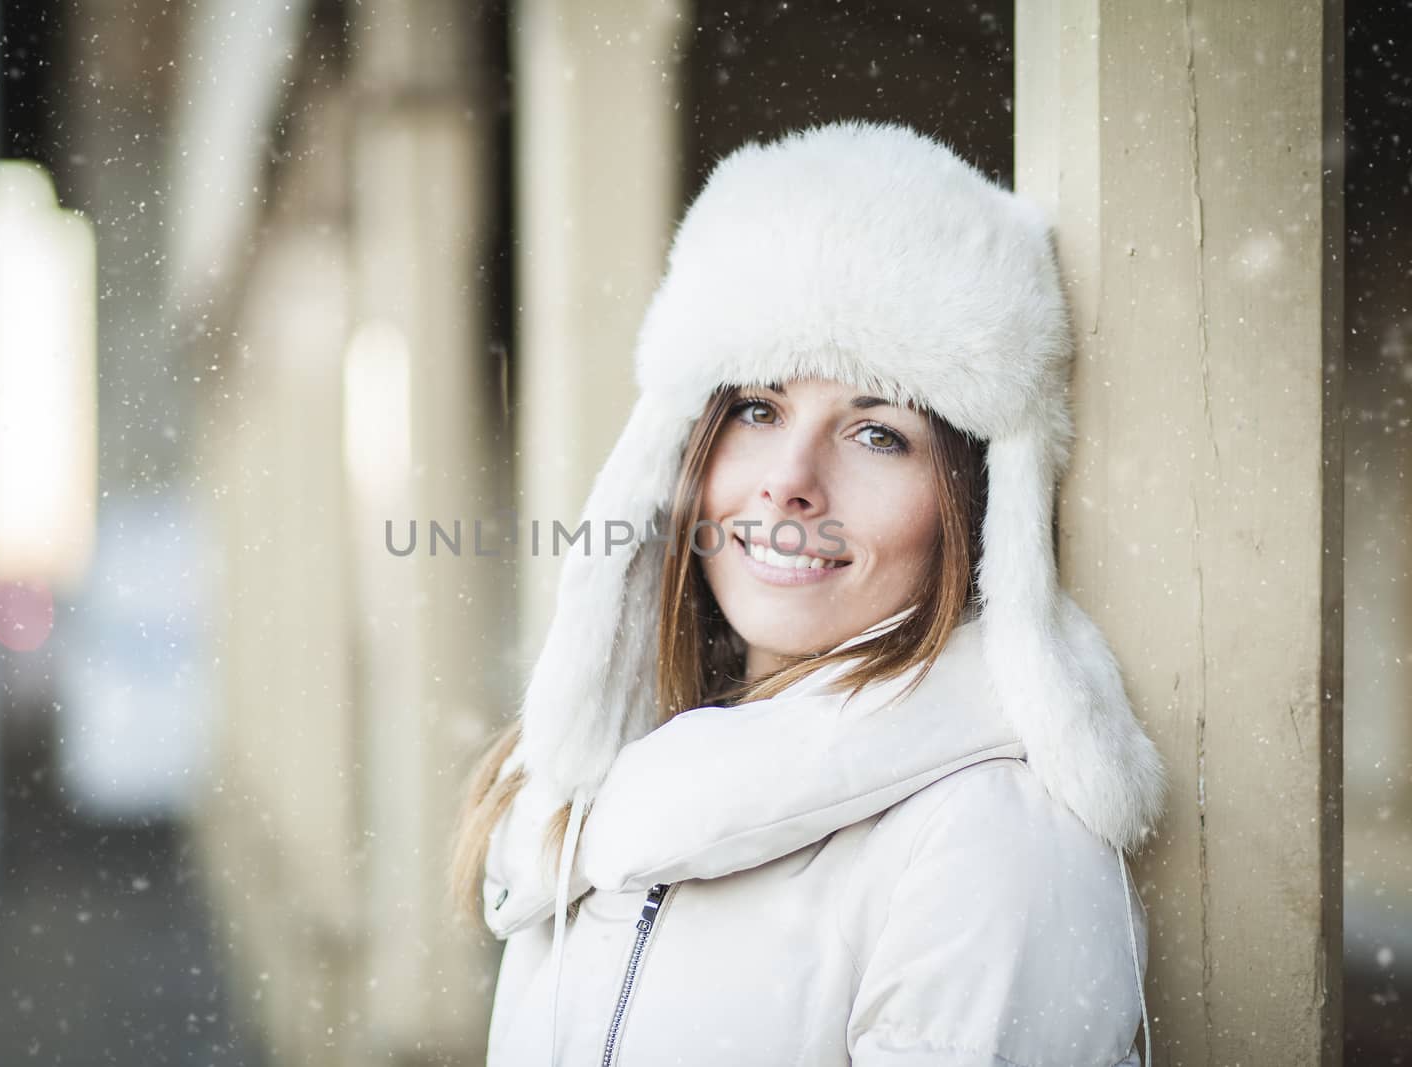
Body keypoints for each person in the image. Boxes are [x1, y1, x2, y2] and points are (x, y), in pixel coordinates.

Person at [448, 119, 1168, 1067]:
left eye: (878, 433)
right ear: (678, 452)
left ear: (975, 509)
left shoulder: (992, 848)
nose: (789, 479)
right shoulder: (587, 793)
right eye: (758, 408)